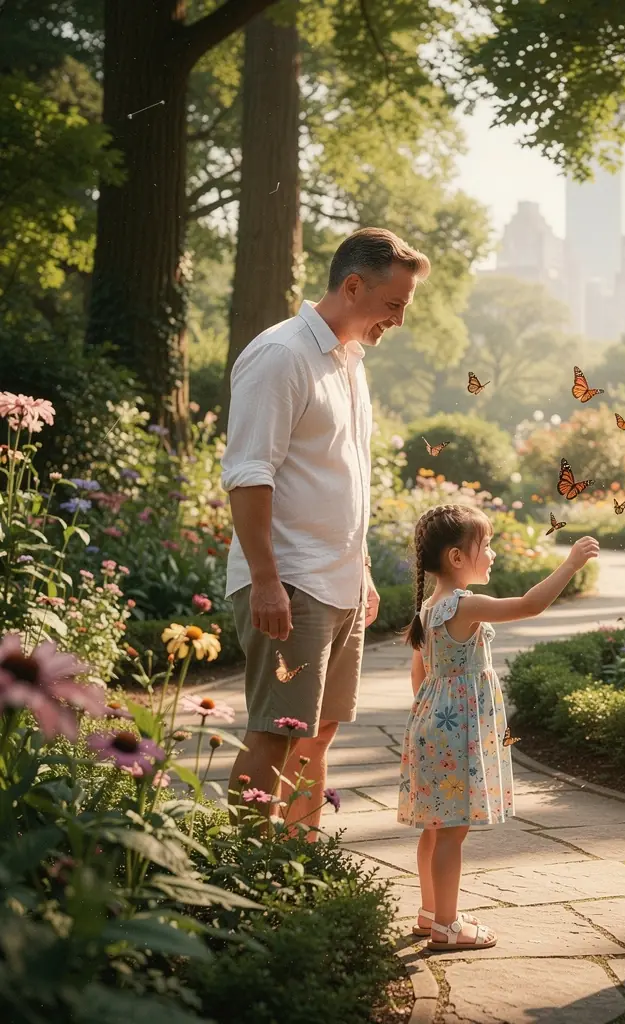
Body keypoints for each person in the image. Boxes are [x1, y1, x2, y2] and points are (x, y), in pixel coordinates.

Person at [221, 227, 431, 833]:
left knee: (319, 735)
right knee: (277, 733)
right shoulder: (281, 355)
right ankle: (247, 870)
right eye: (394, 304)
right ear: (353, 285)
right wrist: (266, 581)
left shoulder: (350, 360)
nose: (398, 319)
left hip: (338, 583)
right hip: (291, 583)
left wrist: (361, 570)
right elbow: (249, 474)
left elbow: (342, 476)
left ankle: (297, 865)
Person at [397, 503, 600, 950]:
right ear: (456, 557)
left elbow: (420, 674)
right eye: (485, 546)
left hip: (431, 723)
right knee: (453, 830)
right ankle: (448, 928)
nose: (492, 554)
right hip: (456, 730)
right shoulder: (465, 604)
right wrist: (570, 563)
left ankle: (431, 913)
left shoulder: (429, 607)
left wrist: (432, 714)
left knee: (434, 826)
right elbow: (530, 605)